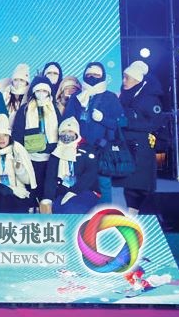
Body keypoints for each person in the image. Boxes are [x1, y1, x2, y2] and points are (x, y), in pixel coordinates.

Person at [64, 62, 124, 204]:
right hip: (79, 148)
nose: (92, 77)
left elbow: (119, 123)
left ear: (102, 76)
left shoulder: (110, 97)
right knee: (78, 183)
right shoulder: (76, 97)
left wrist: (103, 119)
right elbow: (67, 120)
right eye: (89, 74)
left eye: (96, 75)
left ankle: (104, 214)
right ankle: (79, 214)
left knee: (103, 184)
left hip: (102, 149)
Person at [114, 61, 164, 215]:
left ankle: (152, 216)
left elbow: (155, 123)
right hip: (127, 146)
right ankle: (132, 213)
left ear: (137, 80)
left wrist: (129, 123)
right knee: (129, 184)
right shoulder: (125, 96)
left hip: (142, 149)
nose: (124, 81)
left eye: (127, 78)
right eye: (123, 77)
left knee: (142, 186)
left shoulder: (150, 98)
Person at [11, 77, 60, 206]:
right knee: (32, 185)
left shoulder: (54, 109)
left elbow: (61, 129)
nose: (41, 93)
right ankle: (31, 207)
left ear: (49, 92)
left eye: (44, 91)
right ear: (33, 91)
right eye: (38, 90)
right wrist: (20, 151)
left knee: (47, 186)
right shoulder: (25, 109)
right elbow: (18, 132)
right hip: (31, 155)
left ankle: (45, 209)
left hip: (50, 155)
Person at [0, 114, 37, 213]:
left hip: (19, 193)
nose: (2, 139)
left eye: (5, 135)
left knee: (19, 207)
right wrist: (11, 189)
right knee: (2, 202)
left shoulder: (17, 149)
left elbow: (28, 181)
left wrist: (19, 169)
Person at [42, 117, 100, 214]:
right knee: (55, 211)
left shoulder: (87, 150)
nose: (66, 134)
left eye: (70, 131)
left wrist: (74, 191)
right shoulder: (56, 152)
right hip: (62, 191)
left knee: (71, 209)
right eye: (63, 131)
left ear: (76, 133)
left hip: (85, 190)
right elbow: (50, 178)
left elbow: (90, 175)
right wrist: (48, 198)